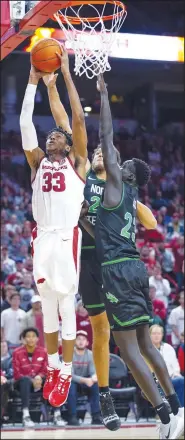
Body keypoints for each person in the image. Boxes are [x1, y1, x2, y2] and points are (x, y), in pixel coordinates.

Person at [44, 69, 158, 432]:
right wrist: (54, 84)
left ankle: (157, 395)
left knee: (127, 335)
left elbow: (152, 223)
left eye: (103, 153)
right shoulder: (82, 173)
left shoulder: (120, 189)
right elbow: (67, 121)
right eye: (94, 151)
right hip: (88, 258)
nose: (97, 153)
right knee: (99, 328)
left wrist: (131, 193)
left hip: (116, 263)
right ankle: (105, 394)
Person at [93, 74, 184, 440]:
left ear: (124, 171)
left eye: (120, 160)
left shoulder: (117, 184)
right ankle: (177, 407)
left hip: (117, 270)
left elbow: (105, 137)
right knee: (147, 344)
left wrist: (103, 96)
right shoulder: (130, 197)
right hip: (136, 268)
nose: (117, 158)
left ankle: (163, 414)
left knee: (128, 349)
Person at [19, 45, 87, 408]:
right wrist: (32, 83)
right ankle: (53, 366)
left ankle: (67, 369)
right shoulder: (36, 162)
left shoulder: (78, 160)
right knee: (46, 307)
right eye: (50, 136)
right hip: (41, 237)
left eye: (58, 135)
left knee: (66, 306)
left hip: (64, 235)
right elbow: (25, 124)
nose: (51, 136)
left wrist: (63, 80)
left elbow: (74, 116)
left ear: (70, 142)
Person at [67, 330, 102, 426]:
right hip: (73, 381)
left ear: (87, 342)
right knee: (70, 386)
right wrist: (86, 380)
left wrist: (93, 378)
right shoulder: (69, 354)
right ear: (74, 341)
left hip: (86, 381)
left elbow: (93, 372)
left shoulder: (90, 354)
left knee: (95, 386)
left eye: (83, 339)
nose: (81, 341)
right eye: (78, 339)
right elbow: (70, 375)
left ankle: (96, 416)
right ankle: (72, 416)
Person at [150, 325, 184, 407]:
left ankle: (180, 409)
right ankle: (164, 411)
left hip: (169, 379)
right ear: (149, 335)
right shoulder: (146, 350)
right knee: (158, 385)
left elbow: (176, 366)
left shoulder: (168, 348)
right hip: (153, 381)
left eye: (158, 333)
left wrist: (176, 374)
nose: (156, 336)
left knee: (181, 380)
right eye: (154, 333)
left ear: (162, 335)